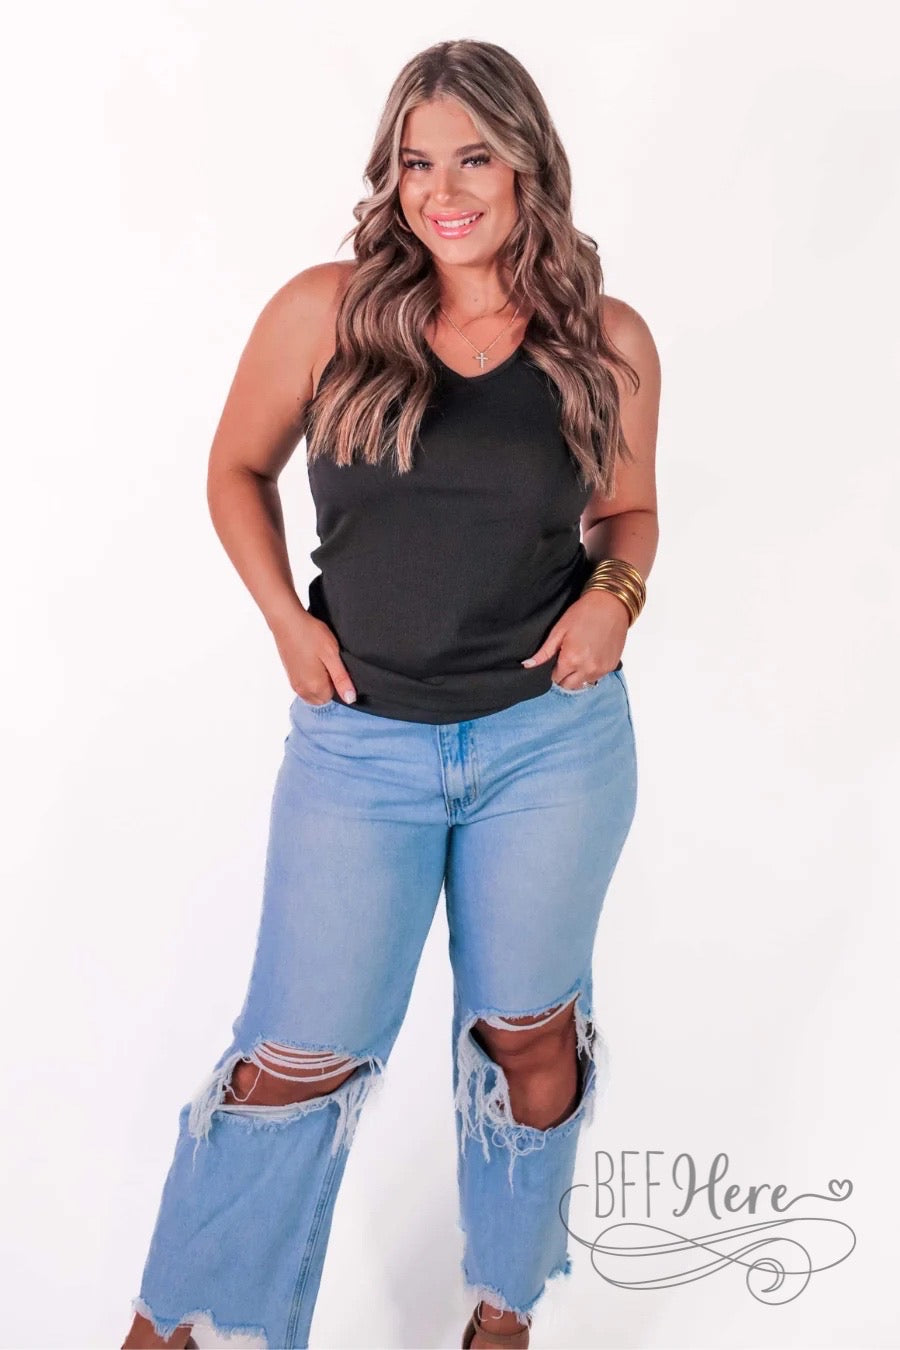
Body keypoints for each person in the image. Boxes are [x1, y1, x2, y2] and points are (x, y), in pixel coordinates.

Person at [123, 36, 660, 1350]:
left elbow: (631, 512)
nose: (443, 190)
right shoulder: (328, 312)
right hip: (358, 752)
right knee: (290, 1062)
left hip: (551, 747)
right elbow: (233, 470)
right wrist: (285, 621)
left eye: (473, 157)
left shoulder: (604, 338)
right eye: (418, 162)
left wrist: (615, 594)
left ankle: (505, 1311)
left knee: (531, 1039)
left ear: (527, 163)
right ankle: (177, 1328)